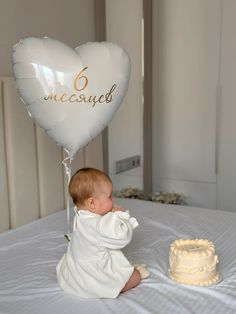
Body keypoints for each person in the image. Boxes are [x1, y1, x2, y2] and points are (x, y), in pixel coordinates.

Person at [56, 167, 149, 298]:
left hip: (77, 271)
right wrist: (121, 216)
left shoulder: (80, 217)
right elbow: (122, 238)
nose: (113, 200)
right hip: (95, 275)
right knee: (135, 277)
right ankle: (114, 285)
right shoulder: (99, 225)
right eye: (110, 196)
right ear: (92, 203)